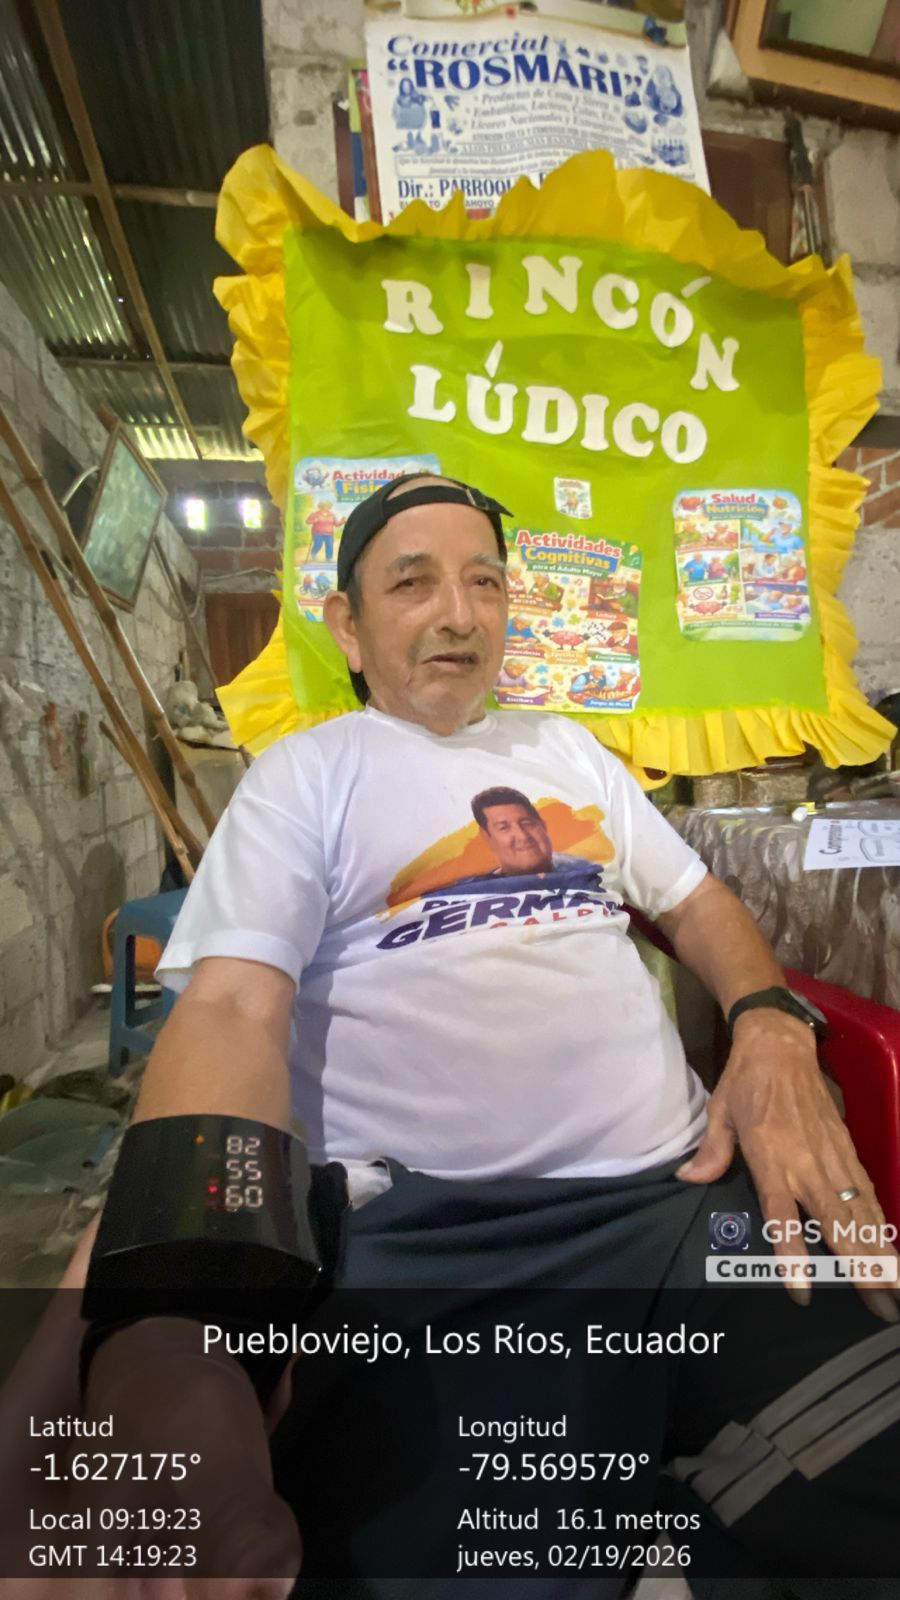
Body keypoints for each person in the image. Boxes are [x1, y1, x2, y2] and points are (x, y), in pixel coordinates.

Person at [70, 472, 898, 1597]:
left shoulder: (569, 752)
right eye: (413, 583)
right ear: (348, 627)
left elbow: (701, 903)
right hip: (431, 1247)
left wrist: (768, 1025)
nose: (458, 613)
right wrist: (175, 1315)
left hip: (679, 1204)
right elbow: (228, 1009)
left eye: (484, 582)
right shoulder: (308, 775)